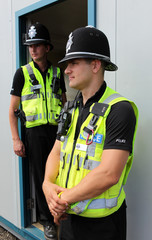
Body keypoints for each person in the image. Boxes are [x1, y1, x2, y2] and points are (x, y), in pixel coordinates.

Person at [42, 26, 138, 240]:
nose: (67, 70)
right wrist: (47, 184)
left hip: (101, 226)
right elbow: (57, 152)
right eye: (67, 64)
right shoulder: (71, 108)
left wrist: (61, 200)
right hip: (68, 218)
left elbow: (109, 174)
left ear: (95, 65)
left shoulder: (119, 109)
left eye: (74, 63)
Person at [9, 22, 67, 240]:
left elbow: (63, 102)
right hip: (33, 133)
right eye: (30, 46)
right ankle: (47, 220)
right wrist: (16, 139)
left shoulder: (57, 72)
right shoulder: (22, 73)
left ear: (47, 48)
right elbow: (12, 110)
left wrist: (66, 131)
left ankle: (60, 211)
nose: (33, 49)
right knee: (41, 176)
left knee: (59, 173)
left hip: (56, 132)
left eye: (37, 45)